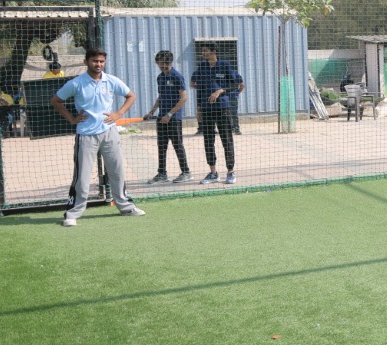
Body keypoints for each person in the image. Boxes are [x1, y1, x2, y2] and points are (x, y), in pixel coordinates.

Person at [51, 48, 145, 225]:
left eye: (101, 61)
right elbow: (56, 100)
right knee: (82, 177)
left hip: (110, 133)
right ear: (86, 62)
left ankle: (126, 207)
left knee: (117, 171)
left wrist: (118, 114)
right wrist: (71, 118)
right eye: (95, 61)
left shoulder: (111, 80)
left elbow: (131, 96)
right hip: (86, 135)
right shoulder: (76, 83)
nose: (98, 64)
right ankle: (72, 214)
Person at [191, 43, 243, 184]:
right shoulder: (202, 67)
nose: (203, 53)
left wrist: (220, 90)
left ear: (214, 52)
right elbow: (199, 89)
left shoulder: (224, 65)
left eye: (205, 51)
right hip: (207, 109)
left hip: (222, 108)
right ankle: (213, 173)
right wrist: (199, 108)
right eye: (202, 51)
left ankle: (230, 172)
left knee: (226, 139)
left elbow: (235, 84)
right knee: (208, 140)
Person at [142, 50, 192, 183]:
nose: (162, 66)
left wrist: (170, 114)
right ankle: (162, 174)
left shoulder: (177, 76)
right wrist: (152, 112)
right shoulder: (160, 77)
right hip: (161, 117)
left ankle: (186, 172)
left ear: (170, 62)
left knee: (177, 145)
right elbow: (161, 97)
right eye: (159, 63)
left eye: (164, 63)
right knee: (161, 146)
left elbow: (184, 98)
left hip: (174, 118)